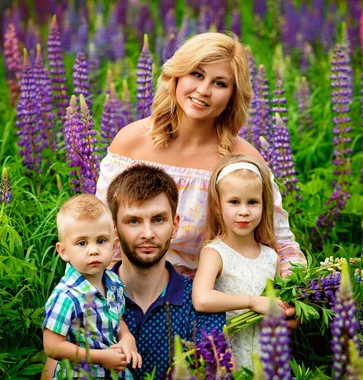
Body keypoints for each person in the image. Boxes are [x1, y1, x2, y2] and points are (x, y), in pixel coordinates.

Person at [96, 31, 306, 278]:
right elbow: (99, 233)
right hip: (128, 290)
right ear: (176, 76)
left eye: (220, 83)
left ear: (232, 96)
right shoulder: (131, 143)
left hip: (212, 301)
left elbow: (282, 245)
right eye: (196, 74)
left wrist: (291, 298)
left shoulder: (242, 161)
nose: (204, 90)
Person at [39, 166, 225, 380]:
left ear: (175, 225)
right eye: (134, 221)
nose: (147, 233)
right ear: (115, 230)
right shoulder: (81, 296)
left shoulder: (199, 300)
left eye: (158, 219)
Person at [192, 155, 288, 368]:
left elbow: (277, 306)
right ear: (218, 207)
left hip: (268, 358)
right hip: (229, 358)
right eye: (234, 202)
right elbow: (201, 299)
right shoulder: (215, 252)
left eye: (252, 202)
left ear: (264, 206)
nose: (244, 211)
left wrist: (288, 309)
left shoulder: (271, 258)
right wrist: (252, 301)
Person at [42, 194, 142, 380]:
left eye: (101, 241)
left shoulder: (113, 283)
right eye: (82, 243)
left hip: (112, 375)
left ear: (114, 246)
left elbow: (117, 318)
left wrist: (127, 337)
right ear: (63, 251)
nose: (93, 250)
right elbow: (52, 347)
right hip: (80, 378)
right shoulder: (66, 295)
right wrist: (100, 357)